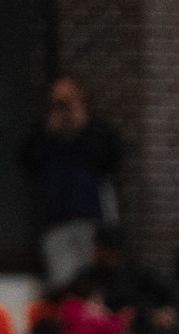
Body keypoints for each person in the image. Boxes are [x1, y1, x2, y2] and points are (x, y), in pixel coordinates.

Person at [16, 78, 124, 288]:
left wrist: (83, 128)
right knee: (64, 285)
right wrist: (47, 133)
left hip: (91, 220)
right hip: (56, 222)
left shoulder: (96, 129)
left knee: (94, 284)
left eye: (68, 101)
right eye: (57, 103)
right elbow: (27, 162)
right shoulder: (44, 132)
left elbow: (111, 160)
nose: (63, 109)